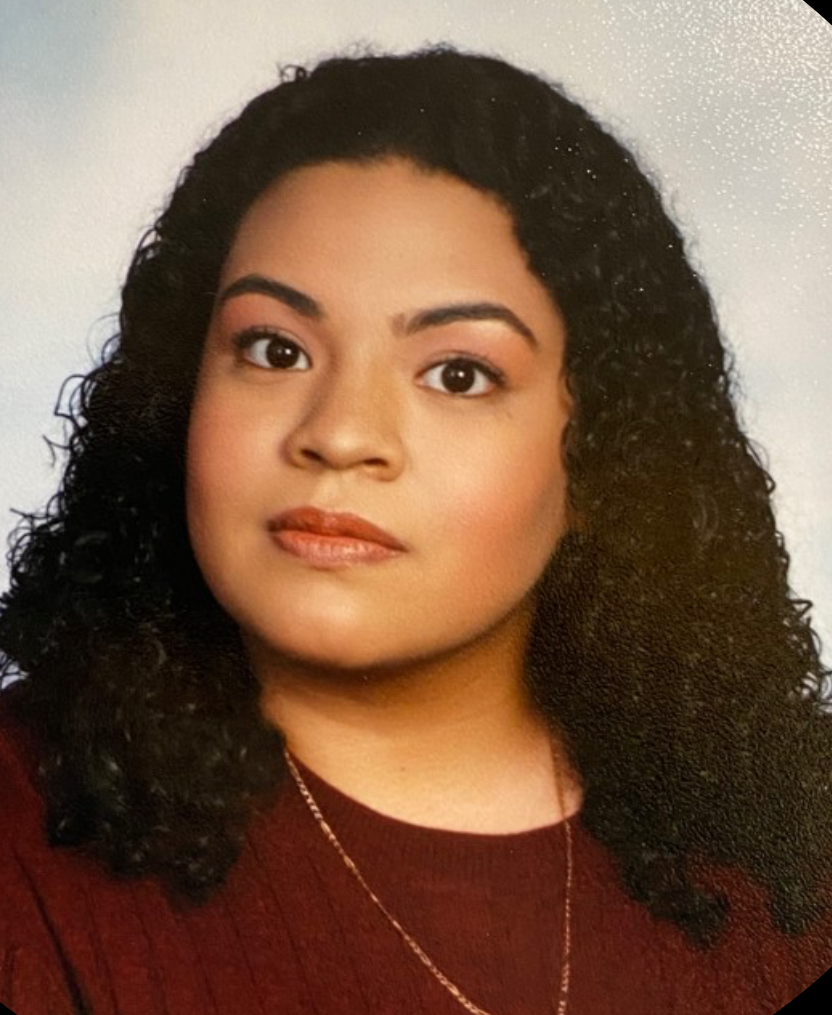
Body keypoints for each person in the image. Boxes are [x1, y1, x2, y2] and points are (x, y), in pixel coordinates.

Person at [0, 45, 830, 1015]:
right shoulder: (21, 831)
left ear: (608, 454)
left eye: (457, 374)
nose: (340, 433)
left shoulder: (793, 855)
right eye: (274, 349)